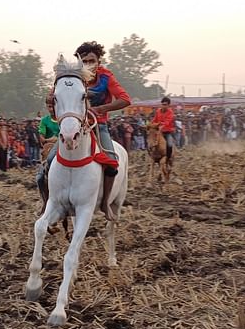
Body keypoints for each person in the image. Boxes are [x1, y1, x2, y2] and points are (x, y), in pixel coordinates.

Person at [45, 41, 131, 221]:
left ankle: (106, 203)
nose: (89, 64)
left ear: (99, 61)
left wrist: (100, 109)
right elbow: (55, 103)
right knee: (48, 162)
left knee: (113, 162)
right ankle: (46, 204)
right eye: (85, 61)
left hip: (98, 126)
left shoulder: (106, 77)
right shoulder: (72, 78)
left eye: (92, 60)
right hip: (75, 127)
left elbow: (125, 99)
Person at [152, 97, 177, 166]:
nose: (163, 106)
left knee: (169, 144)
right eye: (162, 104)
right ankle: (153, 157)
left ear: (168, 105)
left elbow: (167, 122)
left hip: (167, 131)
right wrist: (151, 125)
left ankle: (168, 158)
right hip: (159, 131)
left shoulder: (170, 112)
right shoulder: (158, 111)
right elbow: (155, 120)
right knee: (150, 141)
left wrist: (161, 126)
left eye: (165, 104)